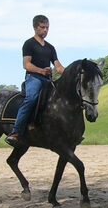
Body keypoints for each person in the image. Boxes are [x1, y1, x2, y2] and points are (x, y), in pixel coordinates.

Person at [6, 15, 65, 146]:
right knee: (31, 98)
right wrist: (41, 71)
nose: (45, 30)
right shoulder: (29, 44)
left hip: (48, 80)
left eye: (47, 28)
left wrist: (71, 73)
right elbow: (26, 64)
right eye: (42, 27)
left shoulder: (50, 47)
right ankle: (16, 131)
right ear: (35, 27)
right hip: (34, 78)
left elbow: (59, 67)